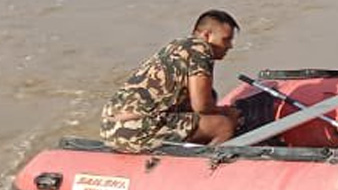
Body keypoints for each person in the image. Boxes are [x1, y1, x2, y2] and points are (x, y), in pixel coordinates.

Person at [100, 10, 243, 152]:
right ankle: (205, 168)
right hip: (137, 128)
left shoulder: (176, 46)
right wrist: (226, 113)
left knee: (211, 95)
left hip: (109, 128)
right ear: (206, 35)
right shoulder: (200, 48)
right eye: (226, 39)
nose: (230, 46)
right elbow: (202, 106)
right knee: (223, 125)